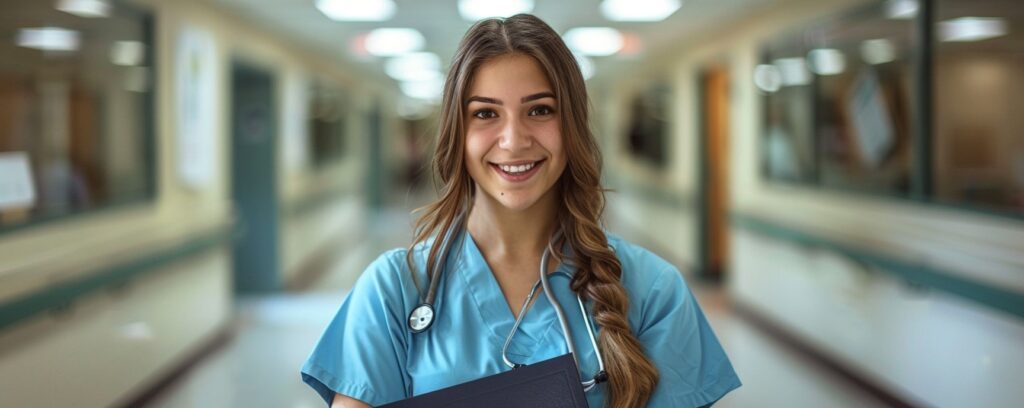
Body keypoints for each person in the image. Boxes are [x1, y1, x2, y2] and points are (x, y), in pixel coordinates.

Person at [301, 14, 740, 408]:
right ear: (458, 133)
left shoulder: (653, 291)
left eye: (540, 110)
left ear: (572, 126)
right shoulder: (394, 291)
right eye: (486, 113)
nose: (513, 139)